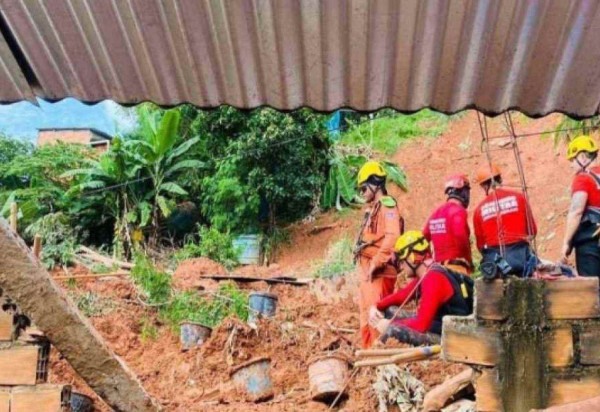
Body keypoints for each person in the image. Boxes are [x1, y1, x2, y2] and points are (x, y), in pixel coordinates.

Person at [369, 230, 473, 346]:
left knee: (393, 331)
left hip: (454, 339)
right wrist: (376, 306)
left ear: (412, 259)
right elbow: (402, 296)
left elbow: (421, 325)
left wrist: (390, 324)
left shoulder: (433, 279)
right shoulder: (430, 272)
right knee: (390, 311)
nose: (401, 266)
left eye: (402, 262)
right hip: (443, 327)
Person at [354, 161, 403, 348]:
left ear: (375, 184)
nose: (362, 193)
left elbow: (393, 237)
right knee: (365, 321)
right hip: (369, 276)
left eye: (364, 188)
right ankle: (369, 359)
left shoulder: (387, 206)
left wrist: (376, 262)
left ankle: (379, 360)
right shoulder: (373, 209)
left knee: (376, 320)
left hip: (380, 274)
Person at [473, 164, 538, 278]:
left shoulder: (479, 210)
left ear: (483, 185)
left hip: (497, 261)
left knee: (492, 263)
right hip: (521, 257)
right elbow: (532, 231)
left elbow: (481, 246)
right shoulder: (519, 198)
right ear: (500, 179)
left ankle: (505, 271)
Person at [561, 135, 600, 278]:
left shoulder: (582, 179)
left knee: (592, 290)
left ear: (583, 157)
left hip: (591, 244)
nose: (571, 165)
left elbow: (576, 212)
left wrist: (566, 243)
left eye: (572, 160)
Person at [423, 174, 473, 275]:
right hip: (456, 268)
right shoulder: (458, 210)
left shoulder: (436, 212)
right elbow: (460, 235)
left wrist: (429, 259)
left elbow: (423, 238)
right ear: (463, 192)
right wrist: (469, 260)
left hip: (438, 269)